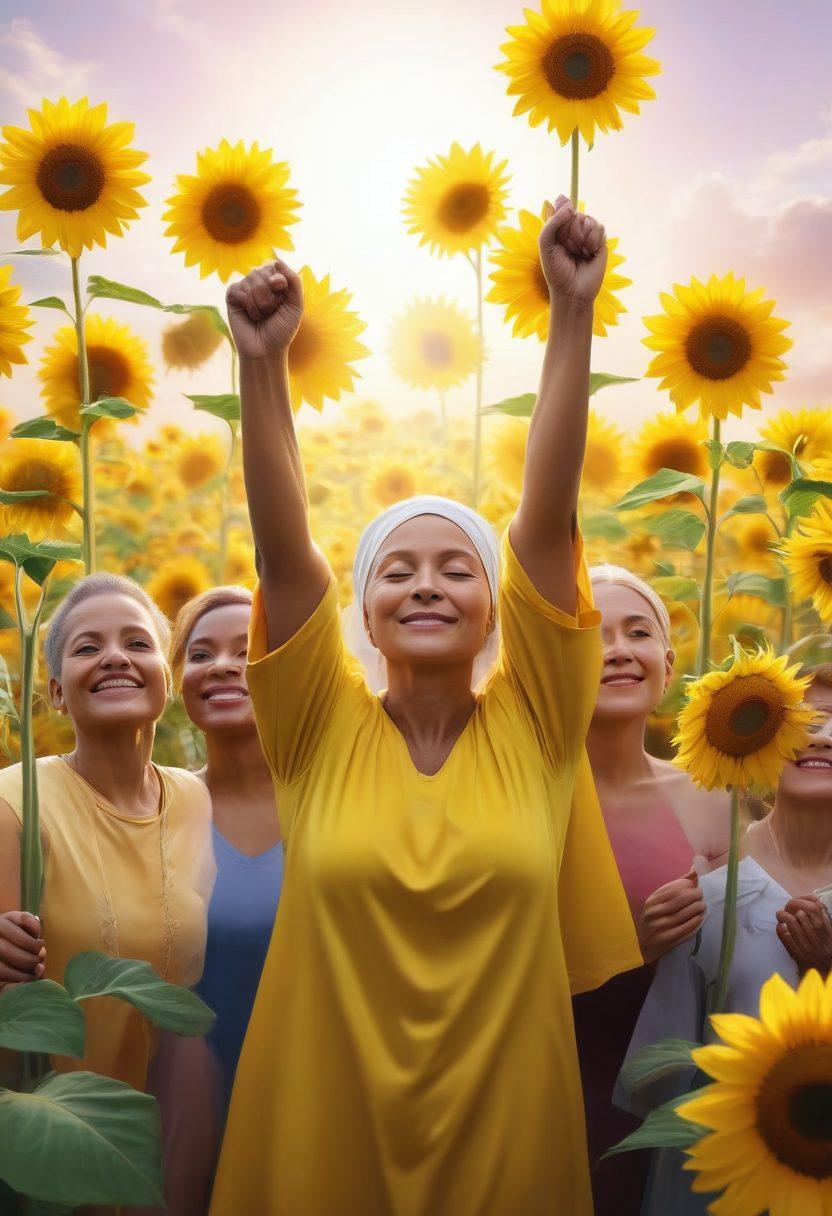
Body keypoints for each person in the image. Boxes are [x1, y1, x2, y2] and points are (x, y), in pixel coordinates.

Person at [207, 195, 642, 1216]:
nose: (426, 584)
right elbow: (282, 553)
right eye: (396, 571)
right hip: (321, 1135)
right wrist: (262, 366)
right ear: (361, 612)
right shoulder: (316, 728)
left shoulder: (538, 725)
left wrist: (571, 312)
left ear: (500, 608)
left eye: (457, 567)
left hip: (506, 1136)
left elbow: (546, 516)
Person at [0, 573, 215, 1216]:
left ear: (166, 679)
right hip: (57, 1149)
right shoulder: (17, 804)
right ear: (56, 693)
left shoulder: (197, 800)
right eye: (88, 647)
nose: (115, 657)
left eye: (137, 643)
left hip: (175, 1144)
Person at [616, 665, 832, 1215]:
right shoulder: (709, 889)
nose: (823, 737)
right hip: (712, 1172)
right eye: (810, 720)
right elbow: (655, 1080)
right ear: (763, 735)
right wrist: (644, 955)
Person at [572, 564, 731, 1213]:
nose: (618, 650)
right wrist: (630, 947)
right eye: (593, 635)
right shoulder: (522, 805)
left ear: (667, 664)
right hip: (552, 1095)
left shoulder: (713, 798)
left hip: (684, 1114)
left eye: (638, 632)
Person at [170, 586, 284, 1118]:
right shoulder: (156, 813)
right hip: (181, 1117)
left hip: (315, 1104)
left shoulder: (334, 809)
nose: (221, 666)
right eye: (200, 654)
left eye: (247, 651)